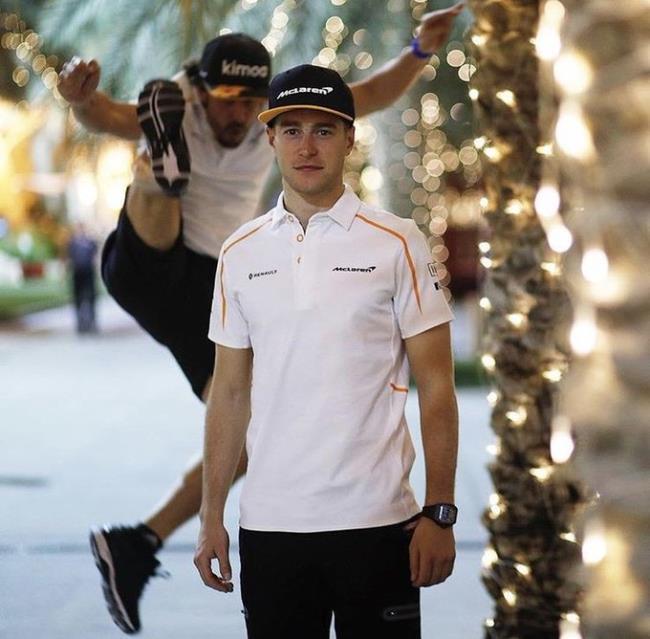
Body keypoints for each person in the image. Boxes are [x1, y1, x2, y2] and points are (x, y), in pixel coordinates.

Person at [58, 4, 464, 635]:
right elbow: (105, 115)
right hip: (149, 262)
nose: (238, 112)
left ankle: (138, 542)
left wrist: (420, 50)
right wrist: (81, 99)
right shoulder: (183, 113)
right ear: (202, 92)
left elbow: (370, 94)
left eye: (250, 102)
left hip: (207, 285)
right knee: (154, 190)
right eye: (226, 99)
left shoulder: (369, 220)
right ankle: (158, 173)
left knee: (244, 424)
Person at [194, 63, 459, 639]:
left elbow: (437, 386)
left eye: (323, 130)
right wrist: (211, 517)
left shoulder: (397, 242)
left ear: (349, 139)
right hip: (270, 528)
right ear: (270, 138)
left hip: (379, 524)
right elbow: (230, 393)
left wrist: (439, 511)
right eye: (291, 130)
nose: (307, 147)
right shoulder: (239, 252)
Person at [67, 222, 98, 334]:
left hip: (88, 273)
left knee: (90, 298)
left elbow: (95, 258)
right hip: (77, 273)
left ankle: (92, 322)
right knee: (78, 299)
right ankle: (80, 323)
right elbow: (69, 258)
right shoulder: (72, 243)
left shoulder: (91, 242)